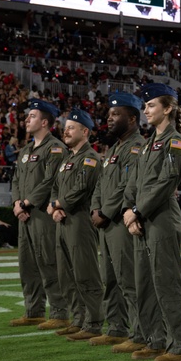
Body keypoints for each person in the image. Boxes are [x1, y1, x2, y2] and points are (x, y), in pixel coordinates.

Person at [122, 83, 181, 361]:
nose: (146, 110)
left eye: (151, 105)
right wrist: (131, 211)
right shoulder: (148, 143)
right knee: (145, 285)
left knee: (167, 283)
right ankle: (156, 340)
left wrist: (137, 211)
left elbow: (167, 182)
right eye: (144, 106)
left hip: (162, 219)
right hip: (141, 219)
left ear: (167, 108)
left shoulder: (174, 142)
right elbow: (133, 183)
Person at [89, 91, 161, 349]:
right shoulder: (112, 150)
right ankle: (117, 327)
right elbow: (100, 184)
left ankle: (140, 334)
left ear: (132, 119)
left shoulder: (136, 147)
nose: (109, 118)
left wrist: (105, 211)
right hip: (106, 222)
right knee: (110, 279)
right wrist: (95, 208)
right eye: (109, 114)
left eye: (115, 114)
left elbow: (128, 186)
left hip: (119, 221)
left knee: (129, 281)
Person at [10, 99, 71, 329]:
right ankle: (33, 311)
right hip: (24, 214)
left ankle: (59, 313)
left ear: (45, 122)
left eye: (32, 116)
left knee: (49, 263)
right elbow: (16, 180)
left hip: (43, 215)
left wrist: (26, 203)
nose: (27, 119)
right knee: (27, 264)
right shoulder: (25, 150)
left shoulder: (55, 148)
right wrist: (17, 203)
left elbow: (49, 181)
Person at [46, 108, 104, 339]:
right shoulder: (68, 159)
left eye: (71, 127)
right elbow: (55, 187)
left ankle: (93, 323)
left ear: (85, 131)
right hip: (63, 221)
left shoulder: (90, 158)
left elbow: (80, 189)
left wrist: (58, 204)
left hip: (80, 221)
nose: (66, 131)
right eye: (66, 127)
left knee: (85, 272)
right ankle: (78, 319)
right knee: (66, 274)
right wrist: (54, 208)